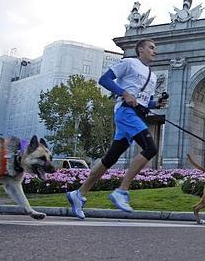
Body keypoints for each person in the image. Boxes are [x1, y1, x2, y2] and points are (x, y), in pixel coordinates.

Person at [66, 39, 166, 219]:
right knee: (151, 148)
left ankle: (79, 194)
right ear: (140, 49)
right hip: (125, 113)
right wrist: (124, 93)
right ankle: (121, 191)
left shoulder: (153, 76)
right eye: (151, 47)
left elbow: (144, 101)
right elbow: (104, 79)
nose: (154, 51)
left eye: (155, 48)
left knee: (110, 158)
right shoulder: (129, 63)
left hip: (136, 115)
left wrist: (156, 103)